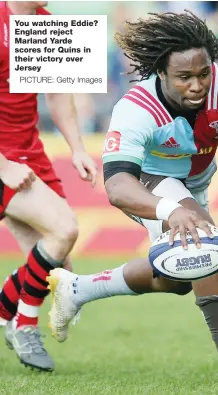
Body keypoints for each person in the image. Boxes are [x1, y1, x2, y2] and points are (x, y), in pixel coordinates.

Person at [47, 10, 218, 388]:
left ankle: (77, 288)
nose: (197, 85)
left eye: (203, 73)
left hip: (195, 181)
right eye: (184, 77)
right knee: (204, 239)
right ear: (160, 73)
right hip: (148, 182)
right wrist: (170, 209)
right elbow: (117, 186)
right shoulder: (135, 108)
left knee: (180, 276)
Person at [0, 1, 98, 372]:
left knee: (58, 268)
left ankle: (6, 312)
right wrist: (4, 166)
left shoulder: (47, 23)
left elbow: (59, 94)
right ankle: (23, 327)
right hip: (4, 159)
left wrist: (77, 149)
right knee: (65, 229)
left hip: (29, 153)